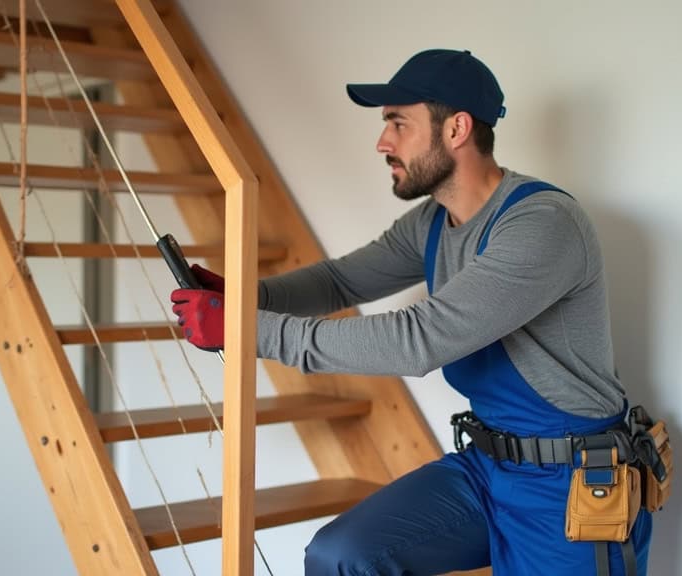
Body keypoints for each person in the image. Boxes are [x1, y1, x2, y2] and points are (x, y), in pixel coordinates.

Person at [170, 49, 652, 576]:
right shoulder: (432, 221)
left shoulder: (543, 223)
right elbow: (340, 280)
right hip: (488, 470)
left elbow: (420, 339)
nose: (383, 142)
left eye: (399, 123)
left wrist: (243, 328)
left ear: (457, 129)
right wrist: (248, 297)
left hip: (573, 484)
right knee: (341, 557)